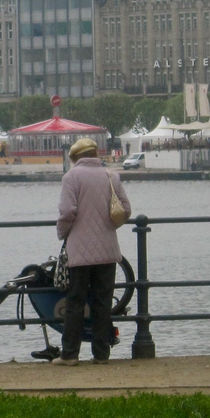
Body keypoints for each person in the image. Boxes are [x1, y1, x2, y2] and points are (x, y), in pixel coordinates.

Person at [55, 137, 131, 365]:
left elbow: (68, 211)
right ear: (95, 154)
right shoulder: (111, 176)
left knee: (76, 302)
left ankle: (70, 354)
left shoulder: (71, 177)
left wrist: (62, 233)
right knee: (102, 302)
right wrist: (109, 227)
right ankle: (101, 354)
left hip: (79, 251)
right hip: (108, 250)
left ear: (76, 158)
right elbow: (125, 209)